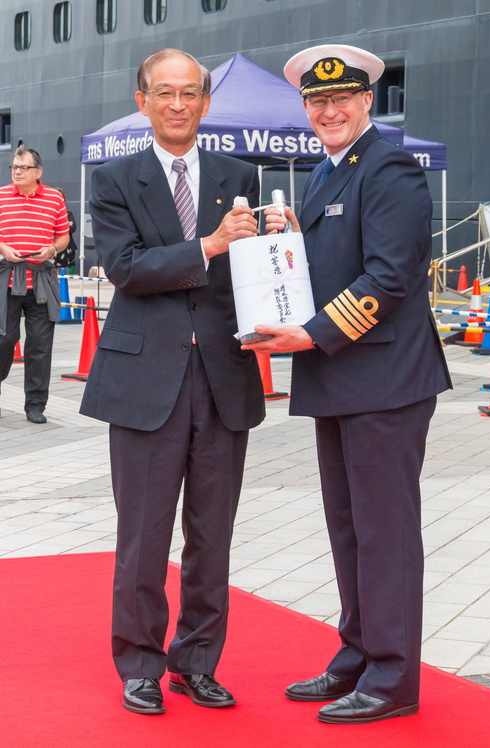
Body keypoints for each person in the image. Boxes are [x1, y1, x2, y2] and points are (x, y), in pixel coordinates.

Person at [242, 45, 451, 724]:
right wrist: (294, 239)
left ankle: (391, 677)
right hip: (343, 376)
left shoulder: (386, 166)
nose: (328, 110)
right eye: (315, 102)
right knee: (350, 529)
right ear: (305, 110)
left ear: (366, 101)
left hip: (384, 379)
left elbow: (390, 277)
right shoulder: (328, 173)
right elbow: (341, 256)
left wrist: (309, 334)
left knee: (383, 532)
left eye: (341, 99)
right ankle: (357, 654)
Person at [80, 48, 264, 716]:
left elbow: (254, 275)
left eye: (190, 93)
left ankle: (197, 662)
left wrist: (281, 254)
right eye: (165, 92)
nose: (179, 104)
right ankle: (139, 664)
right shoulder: (114, 178)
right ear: (143, 100)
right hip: (143, 380)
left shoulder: (240, 173)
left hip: (223, 379)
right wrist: (208, 247)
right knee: (144, 537)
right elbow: (125, 267)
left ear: (206, 103)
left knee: (212, 536)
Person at [0, 146, 69, 424]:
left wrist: (52, 249)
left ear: (38, 172)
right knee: (4, 340)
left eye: (22, 168)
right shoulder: (1, 196)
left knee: (39, 345)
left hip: (40, 280)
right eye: (14, 167)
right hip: (6, 281)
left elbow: (62, 236)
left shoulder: (54, 198)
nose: (17, 172)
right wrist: (3, 249)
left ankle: (36, 405)